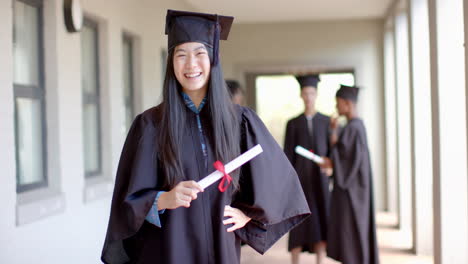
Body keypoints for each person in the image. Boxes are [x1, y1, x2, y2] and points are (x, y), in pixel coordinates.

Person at [101, 9, 310, 264]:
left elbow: (280, 184)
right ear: (171, 62)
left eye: (200, 53)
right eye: (181, 55)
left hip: (222, 247)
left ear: (214, 58)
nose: (191, 65)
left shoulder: (240, 122)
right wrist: (164, 198)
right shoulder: (150, 125)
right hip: (170, 250)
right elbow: (127, 202)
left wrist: (248, 215)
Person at [319, 84, 379, 264]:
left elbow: (343, 159)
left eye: (338, 103)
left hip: (352, 191)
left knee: (350, 229)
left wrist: (331, 159)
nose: (336, 107)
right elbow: (342, 154)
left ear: (347, 103)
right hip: (354, 187)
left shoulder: (354, 128)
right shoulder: (355, 127)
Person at [284, 74, 331, 264]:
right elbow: (287, 155)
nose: (309, 97)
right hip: (300, 182)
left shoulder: (326, 122)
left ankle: (320, 261)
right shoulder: (293, 123)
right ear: (301, 95)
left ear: (316, 94)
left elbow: (331, 154)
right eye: (305, 93)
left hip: (320, 181)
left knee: (321, 221)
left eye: (312, 93)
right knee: (298, 223)